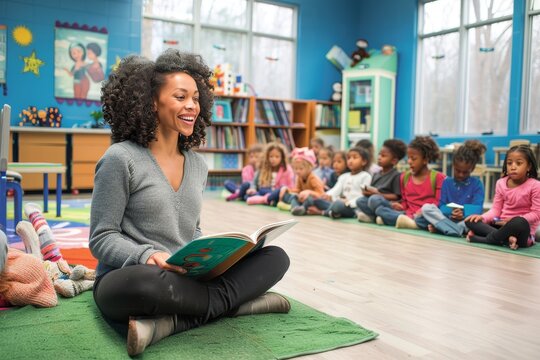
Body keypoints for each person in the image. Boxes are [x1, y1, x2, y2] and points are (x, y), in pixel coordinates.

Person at [89, 50, 291, 356]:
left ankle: (170, 323)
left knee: (276, 257)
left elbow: (191, 230)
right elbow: (101, 237)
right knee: (147, 284)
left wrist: (218, 254)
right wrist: (146, 255)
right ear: (152, 102)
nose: (191, 106)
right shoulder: (120, 159)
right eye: (181, 97)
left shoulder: (198, 165)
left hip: (185, 279)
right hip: (135, 277)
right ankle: (236, 304)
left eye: (196, 98)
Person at [465, 145, 540, 249]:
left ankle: (485, 239)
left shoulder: (535, 185)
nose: (513, 167)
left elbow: (536, 214)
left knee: (519, 222)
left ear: (529, 166)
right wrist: (483, 217)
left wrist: (513, 220)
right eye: (509, 163)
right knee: (471, 221)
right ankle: (506, 240)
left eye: (519, 163)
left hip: (521, 230)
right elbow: (496, 210)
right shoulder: (500, 183)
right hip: (500, 225)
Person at [416, 140, 486, 237]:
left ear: (472, 168)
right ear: (453, 166)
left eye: (465, 172)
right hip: (447, 218)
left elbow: (478, 208)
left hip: (465, 220)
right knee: (426, 208)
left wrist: (463, 213)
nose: (461, 175)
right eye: (457, 171)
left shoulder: (477, 184)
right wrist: (452, 212)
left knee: (477, 222)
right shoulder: (446, 182)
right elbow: (441, 206)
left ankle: (443, 228)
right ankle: (454, 230)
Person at [373, 136, 445, 228]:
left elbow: (438, 202)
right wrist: (399, 205)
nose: (410, 162)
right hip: (408, 214)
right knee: (380, 210)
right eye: (408, 158)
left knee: (431, 217)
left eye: (414, 159)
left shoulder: (438, 177)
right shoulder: (404, 177)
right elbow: (405, 202)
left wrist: (421, 212)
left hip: (425, 215)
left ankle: (411, 223)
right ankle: (407, 222)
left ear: (425, 160)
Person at [304, 147, 372, 219]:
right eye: (349, 158)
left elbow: (362, 196)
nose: (351, 160)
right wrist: (327, 195)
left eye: (355, 158)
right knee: (315, 200)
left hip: (352, 207)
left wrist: (348, 202)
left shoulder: (366, 176)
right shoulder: (344, 176)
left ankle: (322, 212)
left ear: (364, 161)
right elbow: (335, 190)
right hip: (338, 203)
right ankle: (303, 208)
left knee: (338, 205)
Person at [356, 139, 407, 223]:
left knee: (374, 199)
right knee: (360, 201)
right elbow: (372, 190)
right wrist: (367, 192)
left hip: (386, 202)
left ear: (394, 160)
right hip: (374, 200)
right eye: (379, 154)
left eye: (383, 156)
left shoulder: (396, 175)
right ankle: (377, 217)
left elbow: (396, 196)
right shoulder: (376, 174)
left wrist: (378, 194)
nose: (379, 158)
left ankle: (381, 216)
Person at [277, 147, 325, 215]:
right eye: (296, 168)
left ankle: (299, 208)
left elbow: (321, 194)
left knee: (309, 199)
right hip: (302, 199)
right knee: (291, 196)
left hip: (313, 200)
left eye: (301, 169)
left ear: (309, 167)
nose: (298, 171)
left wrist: (309, 192)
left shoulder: (313, 178)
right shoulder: (299, 177)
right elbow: (298, 190)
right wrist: (287, 190)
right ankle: (296, 208)